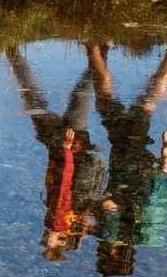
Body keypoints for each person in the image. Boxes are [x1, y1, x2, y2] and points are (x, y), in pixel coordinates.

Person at [86, 42, 167, 277]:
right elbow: (110, 203)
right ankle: (93, 45)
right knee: (110, 101)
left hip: (142, 161)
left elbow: (159, 189)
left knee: (146, 104)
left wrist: (165, 154)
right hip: (125, 153)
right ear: (112, 255)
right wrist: (92, 212)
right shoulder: (111, 232)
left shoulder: (139, 234)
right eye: (103, 259)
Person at [7, 47, 107, 259]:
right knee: (33, 98)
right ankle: (11, 52)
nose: (45, 239)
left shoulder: (74, 222)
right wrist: (67, 148)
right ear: (59, 240)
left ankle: (100, 50)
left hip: (76, 143)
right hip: (64, 145)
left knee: (83, 92)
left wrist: (77, 238)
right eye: (49, 243)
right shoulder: (59, 221)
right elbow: (64, 184)